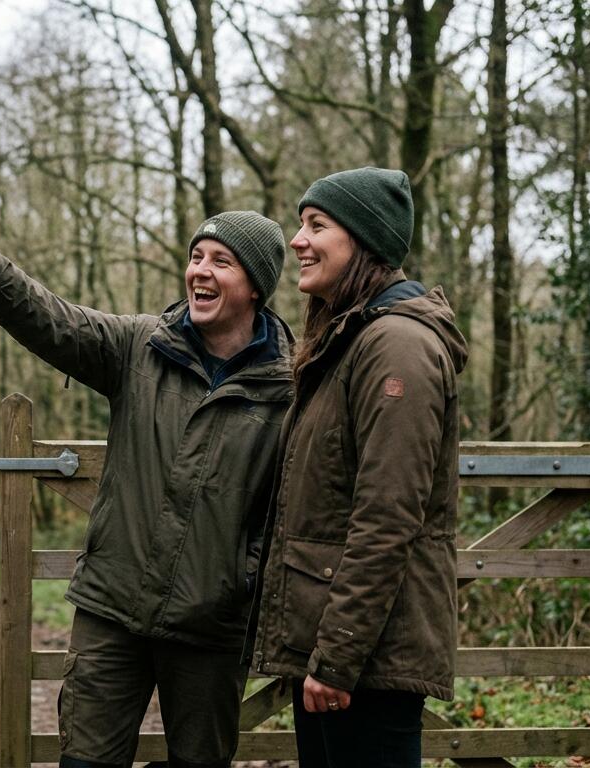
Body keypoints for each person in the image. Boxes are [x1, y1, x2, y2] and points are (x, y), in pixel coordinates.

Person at [0, 211, 292, 768]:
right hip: (112, 609)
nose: (201, 271)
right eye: (196, 257)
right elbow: (55, 321)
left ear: (256, 286)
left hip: (213, 625)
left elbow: (296, 507)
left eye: (222, 262)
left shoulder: (289, 387)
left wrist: (245, 577)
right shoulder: (141, 345)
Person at [245, 167, 468, 768]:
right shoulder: (352, 338)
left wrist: (338, 656)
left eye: (317, 225)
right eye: (301, 225)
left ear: (363, 240)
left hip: (366, 663)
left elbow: (387, 517)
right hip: (340, 654)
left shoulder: (397, 345)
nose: (298, 241)